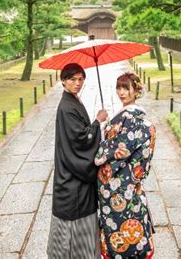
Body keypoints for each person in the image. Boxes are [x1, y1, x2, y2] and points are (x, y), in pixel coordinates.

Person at [47, 63, 108, 259]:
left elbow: (81, 134)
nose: (77, 83)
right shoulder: (66, 107)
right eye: (72, 79)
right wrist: (98, 122)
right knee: (75, 233)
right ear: (63, 80)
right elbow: (80, 140)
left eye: (81, 79)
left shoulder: (72, 101)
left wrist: (96, 127)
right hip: (73, 178)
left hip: (71, 172)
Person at [95, 72, 156, 259]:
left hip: (118, 184)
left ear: (135, 90)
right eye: (119, 88)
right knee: (133, 216)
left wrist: (98, 153)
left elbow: (120, 149)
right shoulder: (129, 115)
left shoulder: (130, 117)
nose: (121, 92)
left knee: (120, 221)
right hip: (130, 182)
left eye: (126, 88)